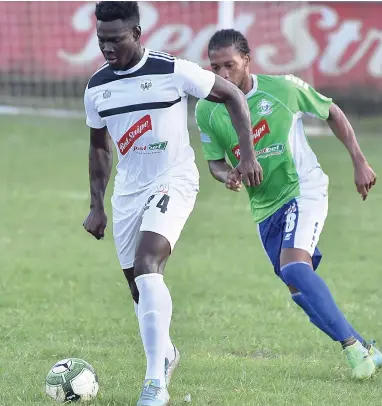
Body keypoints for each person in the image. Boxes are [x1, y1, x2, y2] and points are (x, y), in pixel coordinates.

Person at [82, 3, 262, 405]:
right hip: (128, 190)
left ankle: (154, 382)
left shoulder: (172, 70)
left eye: (116, 39)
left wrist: (247, 155)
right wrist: (97, 205)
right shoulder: (96, 87)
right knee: (137, 287)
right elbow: (99, 150)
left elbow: (232, 94)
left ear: (137, 32)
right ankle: (166, 353)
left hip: (174, 180)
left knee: (148, 265)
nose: (107, 47)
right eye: (101, 40)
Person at [195, 29, 381, 381]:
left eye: (229, 66)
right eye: (215, 68)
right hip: (264, 208)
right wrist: (228, 175)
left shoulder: (283, 89)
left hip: (303, 190)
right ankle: (367, 349)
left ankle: (354, 352)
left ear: (247, 61)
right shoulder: (207, 109)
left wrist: (359, 161)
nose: (221, 76)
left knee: (295, 269)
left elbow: (333, 112)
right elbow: (214, 162)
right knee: (296, 287)